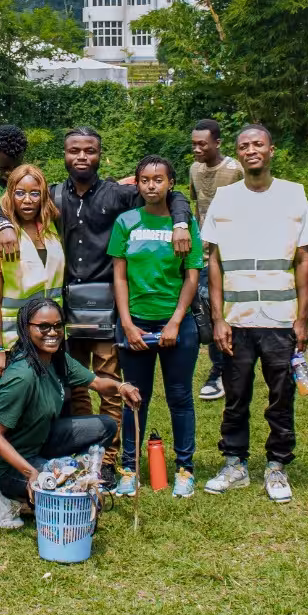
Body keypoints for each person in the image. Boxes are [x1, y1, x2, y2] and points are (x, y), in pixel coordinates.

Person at [33, 127, 192, 490]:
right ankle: (80, 454)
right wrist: (1, 221)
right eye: (74, 150)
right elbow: (12, 202)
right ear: (65, 154)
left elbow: (174, 193)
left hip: (108, 305)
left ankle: (106, 459)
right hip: (65, 306)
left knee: (109, 385)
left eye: (90, 150)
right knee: (73, 385)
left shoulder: (119, 195)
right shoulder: (54, 195)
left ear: (100, 155)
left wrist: (181, 222)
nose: (82, 157)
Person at [201, 124, 308, 502]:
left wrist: (301, 318)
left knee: (281, 395)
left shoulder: (293, 194)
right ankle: (234, 463)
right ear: (237, 153)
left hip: (280, 318)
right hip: (236, 319)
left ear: (271, 150)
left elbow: (304, 259)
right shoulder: (225, 197)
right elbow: (215, 260)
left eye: (258, 144)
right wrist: (218, 318)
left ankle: (276, 467)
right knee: (235, 396)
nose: (251, 150)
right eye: (244, 146)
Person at [0, 297, 140, 529]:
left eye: (57, 326)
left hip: (38, 441)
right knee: (67, 490)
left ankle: (65, 475)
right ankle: (5, 492)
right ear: (26, 328)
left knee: (105, 426)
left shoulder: (57, 360)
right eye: (43, 326)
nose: (52, 332)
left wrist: (121, 387)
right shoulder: (22, 376)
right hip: (1, 464)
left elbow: (98, 383)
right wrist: (31, 472)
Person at [110, 156, 204, 499]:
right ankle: (129, 470)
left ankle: (184, 468)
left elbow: (192, 275)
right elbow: (119, 275)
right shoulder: (126, 221)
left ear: (170, 183)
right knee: (135, 398)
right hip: (135, 323)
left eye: (158, 179)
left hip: (177, 325)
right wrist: (127, 324)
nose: (152, 185)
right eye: (145, 180)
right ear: (137, 183)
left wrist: (176, 322)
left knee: (180, 397)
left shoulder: (185, 224)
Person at [0, 164, 65, 474]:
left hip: (49, 340)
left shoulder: (50, 229)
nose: (27, 200)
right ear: (9, 195)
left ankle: (40, 472)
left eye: (34, 193)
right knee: (8, 416)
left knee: (43, 412)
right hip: (11, 343)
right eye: (19, 193)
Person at [189, 119, 244, 403]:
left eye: (203, 144)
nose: (197, 149)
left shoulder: (235, 170)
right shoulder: (194, 170)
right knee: (210, 314)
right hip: (203, 254)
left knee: (228, 313)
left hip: (232, 255)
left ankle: (225, 371)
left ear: (217, 143)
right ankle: (220, 369)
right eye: (194, 144)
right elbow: (196, 208)